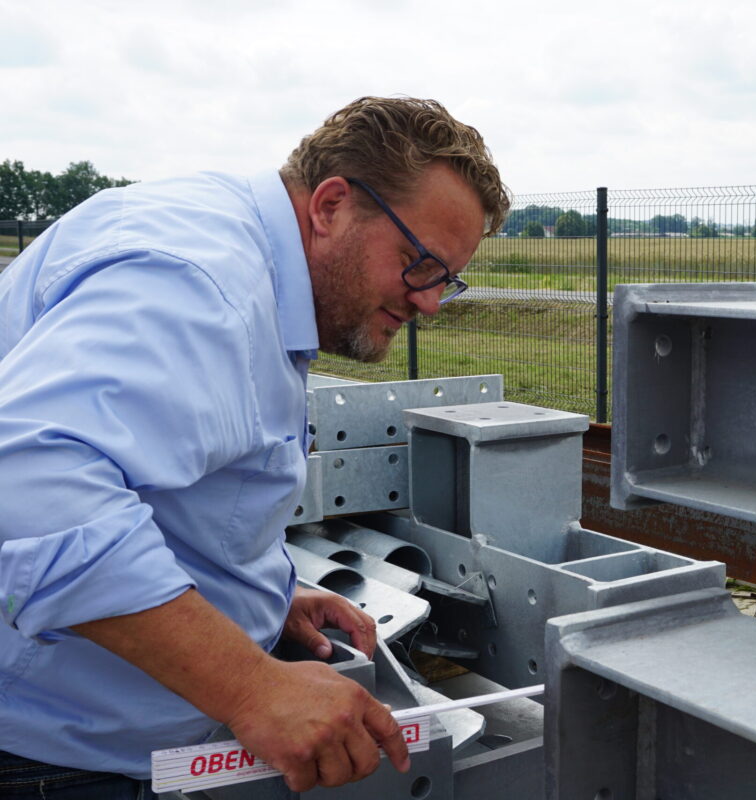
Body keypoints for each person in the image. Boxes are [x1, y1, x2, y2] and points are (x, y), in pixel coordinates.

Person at [0, 96, 510, 797]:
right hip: (61, 754)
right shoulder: (204, 288)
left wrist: (258, 592)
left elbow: (169, 475)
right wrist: (249, 686)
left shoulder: (239, 249)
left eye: (445, 281)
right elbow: (30, 482)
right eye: (418, 263)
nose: (428, 303)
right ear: (331, 205)